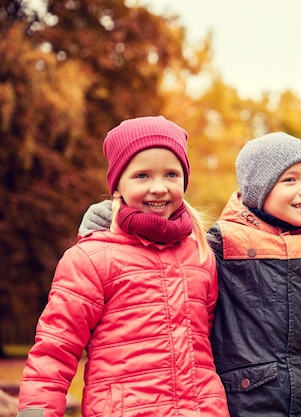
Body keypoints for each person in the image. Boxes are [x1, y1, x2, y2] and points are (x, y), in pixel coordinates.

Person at [78, 132, 301, 417]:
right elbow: (165, 263)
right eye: (290, 179)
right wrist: (113, 218)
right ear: (260, 188)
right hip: (253, 401)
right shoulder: (222, 243)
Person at [18, 116, 230, 417]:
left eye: (171, 174)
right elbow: (56, 348)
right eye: (142, 176)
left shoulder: (200, 256)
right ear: (117, 185)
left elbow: (208, 342)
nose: (159, 188)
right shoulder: (91, 259)